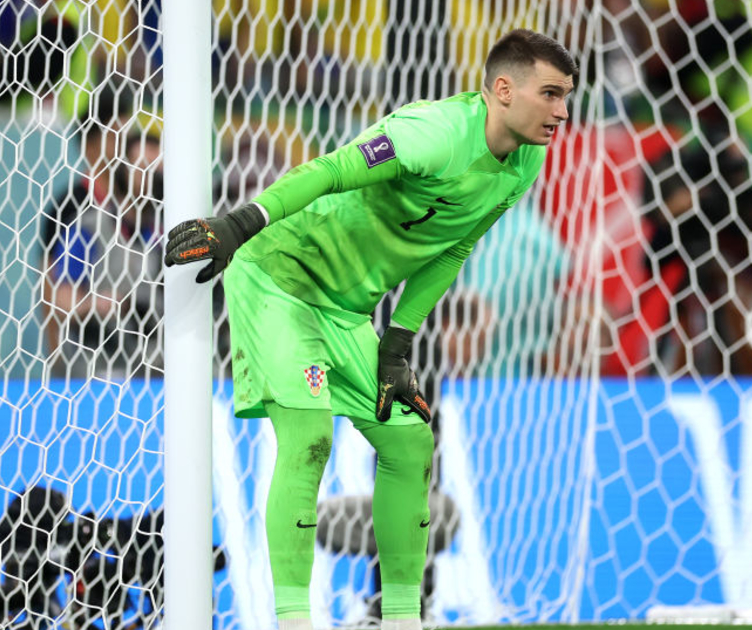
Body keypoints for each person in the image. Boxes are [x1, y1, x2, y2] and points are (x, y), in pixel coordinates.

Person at [166, 29, 575, 630]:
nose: (563, 112)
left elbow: (454, 248)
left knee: (410, 443)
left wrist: (398, 346)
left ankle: (402, 619)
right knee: (310, 438)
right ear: (504, 90)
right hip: (281, 275)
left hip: (346, 309)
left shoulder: (526, 160)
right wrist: (240, 224)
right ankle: (294, 623)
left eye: (567, 96)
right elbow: (332, 169)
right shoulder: (433, 135)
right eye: (551, 94)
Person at [44, 132, 164, 379]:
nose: (151, 178)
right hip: (96, 370)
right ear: (122, 171)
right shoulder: (87, 229)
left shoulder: (163, 236)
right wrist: (93, 304)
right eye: (143, 168)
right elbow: (60, 299)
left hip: (152, 372)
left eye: (158, 170)